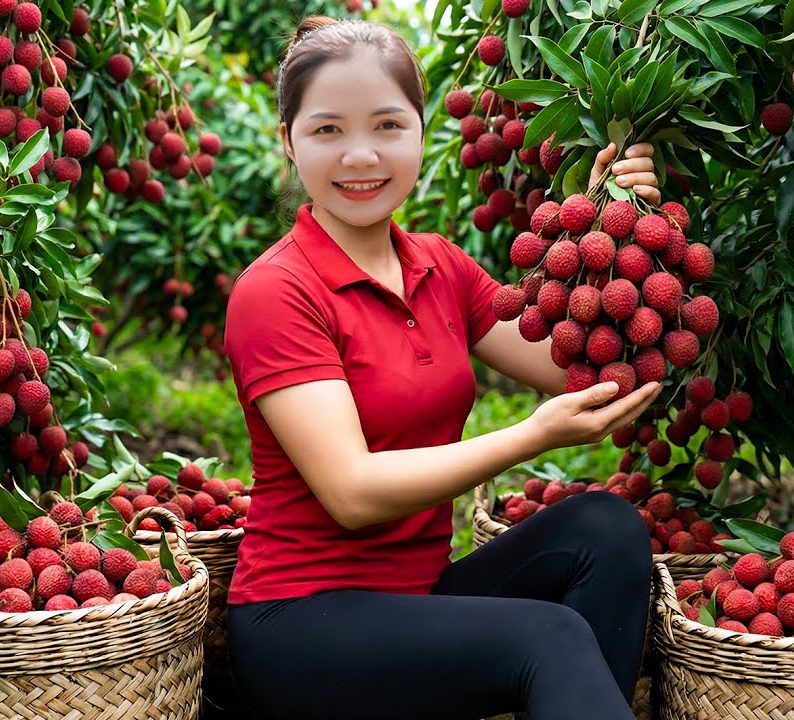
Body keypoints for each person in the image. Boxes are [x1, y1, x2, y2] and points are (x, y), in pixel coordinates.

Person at [222, 16, 665, 720]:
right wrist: (531, 438)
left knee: (605, 529)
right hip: (302, 623)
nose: (361, 156)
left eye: (388, 126)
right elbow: (352, 492)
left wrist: (614, 221)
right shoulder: (276, 291)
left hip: (416, 600)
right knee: (547, 639)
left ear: (422, 132)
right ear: (289, 142)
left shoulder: (439, 265)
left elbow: (577, 367)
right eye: (328, 130)